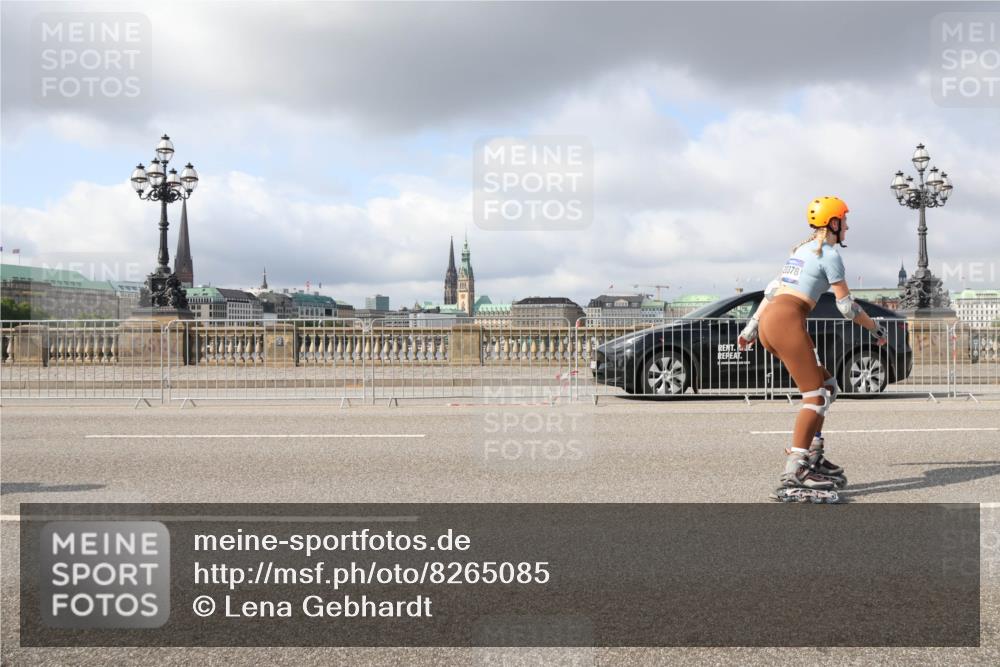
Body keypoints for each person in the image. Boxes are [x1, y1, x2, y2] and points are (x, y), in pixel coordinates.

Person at [737, 196, 887, 503]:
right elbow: (847, 307)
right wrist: (875, 328)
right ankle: (795, 470)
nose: (847, 226)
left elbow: (771, 291)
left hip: (771, 319)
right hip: (787, 320)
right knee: (815, 396)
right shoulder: (829, 254)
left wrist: (751, 329)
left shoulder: (800, 250)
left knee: (828, 387)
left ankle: (813, 455)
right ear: (833, 224)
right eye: (844, 220)